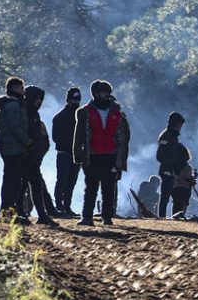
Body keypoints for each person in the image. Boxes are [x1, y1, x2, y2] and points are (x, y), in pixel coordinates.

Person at [73, 80, 130, 226]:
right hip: (92, 155)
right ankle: (87, 216)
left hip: (110, 155)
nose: (102, 95)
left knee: (109, 187)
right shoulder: (84, 112)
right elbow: (79, 134)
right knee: (90, 187)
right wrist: (78, 153)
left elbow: (124, 137)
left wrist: (121, 159)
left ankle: (107, 217)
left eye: (104, 92)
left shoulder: (118, 113)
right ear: (94, 94)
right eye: (99, 92)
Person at [0, 77, 32, 221]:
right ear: (15, 88)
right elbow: (15, 127)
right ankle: (8, 213)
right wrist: (28, 142)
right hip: (14, 148)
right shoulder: (14, 106)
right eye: (22, 88)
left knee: (10, 179)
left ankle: (6, 211)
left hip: (8, 148)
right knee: (14, 181)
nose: (24, 91)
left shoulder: (5, 106)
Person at [20, 85, 56, 225]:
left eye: (41, 99)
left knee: (35, 186)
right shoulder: (23, 112)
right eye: (37, 98)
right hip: (25, 155)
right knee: (23, 186)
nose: (39, 101)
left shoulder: (34, 113)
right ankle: (21, 212)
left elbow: (43, 138)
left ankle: (42, 214)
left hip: (34, 157)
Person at [52, 87, 82, 216]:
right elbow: (55, 137)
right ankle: (59, 207)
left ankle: (67, 207)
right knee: (62, 180)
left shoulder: (81, 116)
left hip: (76, 154)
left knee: (71, 181)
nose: (76, 101)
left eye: (78, 99)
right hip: (64, 153)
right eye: (74, 99)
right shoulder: (60, 117)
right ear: (68, 99)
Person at [156, 112, 187, 218]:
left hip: (171, 170)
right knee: (165, 195)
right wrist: (169, 166)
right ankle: (162, 217)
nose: (180, 128)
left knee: (168, 195)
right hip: (167, 170)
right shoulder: (167, 136)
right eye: (180, 125)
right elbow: (159, 155)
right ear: (176, 124)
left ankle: (164, 216)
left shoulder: (172, 135)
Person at [172, 150, 197, 219]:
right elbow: (188, 178)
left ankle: (174, 217)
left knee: (176, 203)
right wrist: (194, 178)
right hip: (185, 188)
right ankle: (181, 217)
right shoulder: (187, 167)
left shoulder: (174, 166)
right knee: (183, 204)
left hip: (175, 188)